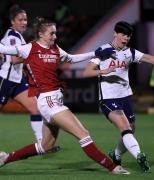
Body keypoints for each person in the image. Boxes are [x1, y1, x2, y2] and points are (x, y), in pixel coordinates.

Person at [0, 17, 130, 175]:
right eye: (52, 34)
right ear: (41, 34)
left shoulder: (55, 48)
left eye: (55, 33)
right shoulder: (29, 48)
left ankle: (5, 159)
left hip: (54, 100)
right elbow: (4, 49)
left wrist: (96, 53)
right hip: (48, 101)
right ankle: (113, 167)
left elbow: (71, 58)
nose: (55, 37)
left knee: (45, 146)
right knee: (83, 134)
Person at [83, 21, 154, 172]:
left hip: (125, 97)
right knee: (125, 127)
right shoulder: (103, 51)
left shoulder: (130, 52)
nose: (126, 38)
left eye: (128, 36)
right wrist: (103, 72)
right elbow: (86, 72)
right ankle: (140, 156)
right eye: (123, 35)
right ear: (115, 33)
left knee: (130, 130)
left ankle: (116, 154)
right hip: (108, 99)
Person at [0, 5, 43, 142]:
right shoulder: (13, 36)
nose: (24, 22)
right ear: (13, 21)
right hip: (6, 80)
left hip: (17, 81)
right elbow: (14, 59)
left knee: (35, 108)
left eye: (25, 19)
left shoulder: (17, 36)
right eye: (20, 20)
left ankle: (42, 144)